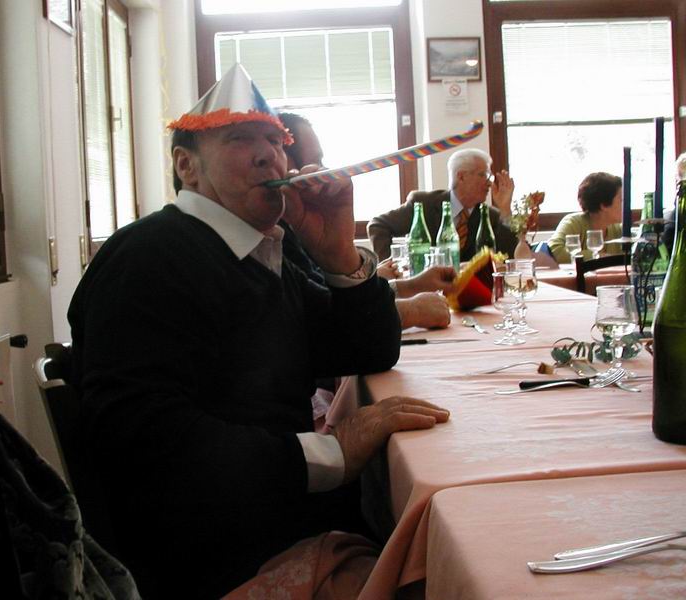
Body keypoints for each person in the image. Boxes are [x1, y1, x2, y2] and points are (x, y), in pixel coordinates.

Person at [67, 64, 449, 599]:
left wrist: (338, 253)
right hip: (216, 562)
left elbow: (366, 348)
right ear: (186, 165)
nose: (270, 155)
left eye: (276, 141)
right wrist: (333, 452)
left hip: (279, 524)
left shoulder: (257, 253)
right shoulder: (150, 258)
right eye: (241, 139)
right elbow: (145, 439)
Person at [279, 112, 454, 330]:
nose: (323, 171)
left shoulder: (295, 232)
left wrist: (410, 285)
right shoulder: (274, 240)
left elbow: (337, 297)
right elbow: (324, 324)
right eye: (315, 162)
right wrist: (412, 310)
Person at [367, 148, 517, 262]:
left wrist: (505, 210)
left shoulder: (491, 216)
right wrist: (390, 267)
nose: (489, 183)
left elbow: (507, 257)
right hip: (428, 288)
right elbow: (378, 225)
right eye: (483, 175)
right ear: (461, 176)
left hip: (473, 291)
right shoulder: (424, 205)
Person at [546, 172, 624, 264]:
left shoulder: (619, 230)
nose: (626, 206)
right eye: (621, 200)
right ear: (603, 205)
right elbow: (555, 251)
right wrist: (598, 257)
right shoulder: (573, 222)